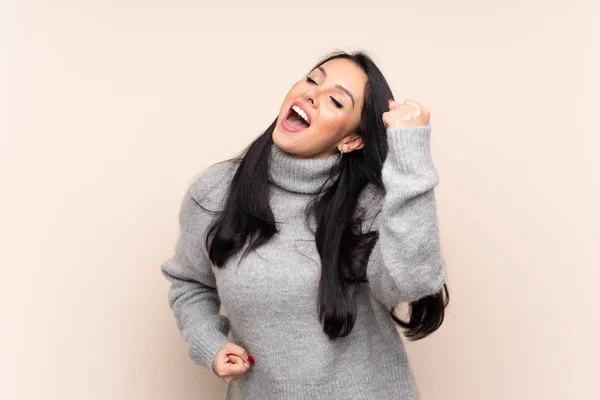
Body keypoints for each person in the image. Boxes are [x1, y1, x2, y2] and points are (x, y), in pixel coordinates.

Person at [160, 49, 450, 400]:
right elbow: (190, 283)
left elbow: (413, 280)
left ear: (352, 140)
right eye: (313, 79)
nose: (312, 93)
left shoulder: (370, 204)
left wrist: (411, 151)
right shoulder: (216, 193)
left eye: (336, 101)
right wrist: (210, 342)